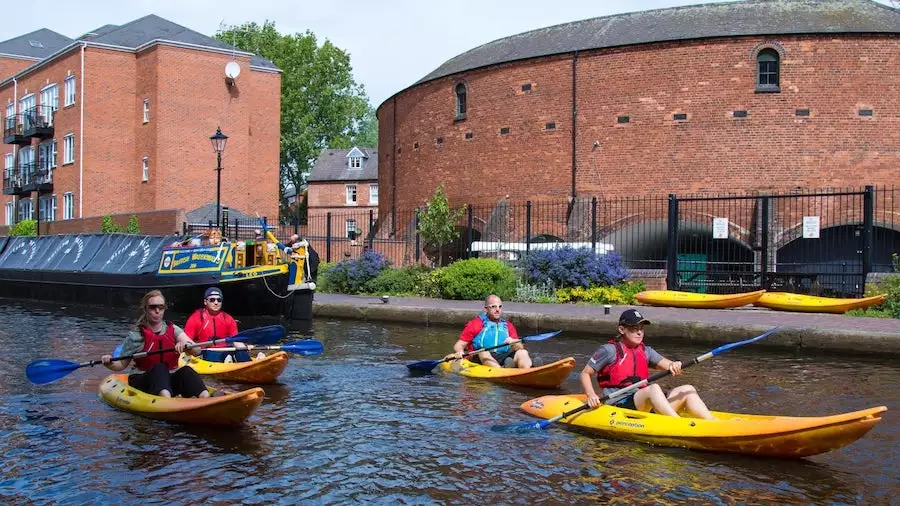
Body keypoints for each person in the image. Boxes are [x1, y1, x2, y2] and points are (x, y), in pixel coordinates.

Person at [579, 309, 715, 419]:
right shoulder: (609, 350)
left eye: (641, 328)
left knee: (687, 388)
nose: (639, 332)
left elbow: (667, 364)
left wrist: (675, 365)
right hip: (619, 404)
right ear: (621, 329)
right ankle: (678, 424)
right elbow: (585, 373)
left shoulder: (646, 351)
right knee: (654, 388)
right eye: (634, 328)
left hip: (643, 401)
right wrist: (591, 395)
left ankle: (713, 423)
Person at [101, 290, 209, 398]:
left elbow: (197, 351)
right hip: (142, 379)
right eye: (153, 307)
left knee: (186, 371)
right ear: (146, 309)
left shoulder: (173, 329)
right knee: (160, 368)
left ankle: (205, 397)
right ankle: (166, 400)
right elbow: (121, 365)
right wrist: (108, 362)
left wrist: (186, 347)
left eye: (161, 307)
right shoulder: (136, 335)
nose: (157, 311)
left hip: (169, 377)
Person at [447, 294, 533, 368]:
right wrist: (459, 352)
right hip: (479, 357)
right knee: (484, 352)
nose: (497, 310)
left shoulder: (508, 325)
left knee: (522, 352)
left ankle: (527, 371)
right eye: (493, 306)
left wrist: (514, 342)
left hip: (502, 356)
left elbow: (519, 348)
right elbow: (458, 345)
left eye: (500, 306)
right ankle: (500, 372)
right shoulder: (476, 324)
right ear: (486, 309)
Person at [183, 287, 255, 363]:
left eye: (219, 300)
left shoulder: (228, 318)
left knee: (240, 349)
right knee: (214, 355)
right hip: (205, 352)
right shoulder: (196, 318)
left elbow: (236, 340)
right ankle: (229, 359)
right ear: (205, 302)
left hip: (226, 349)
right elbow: (187, 341)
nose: (216, 302)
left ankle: (247, 362)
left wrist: (243, 348)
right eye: (212, 300)